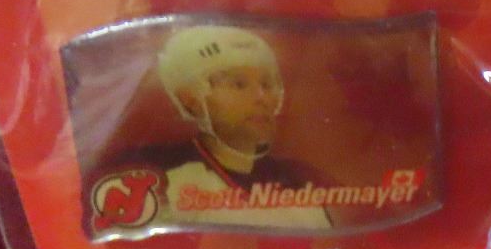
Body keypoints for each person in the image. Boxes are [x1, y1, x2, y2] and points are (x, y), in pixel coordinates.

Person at [113, 25, 332, 231]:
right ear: (190, 99)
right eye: (239, 84)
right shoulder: (158, 178)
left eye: (267, 84)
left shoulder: (299, 181)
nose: (262, 98)